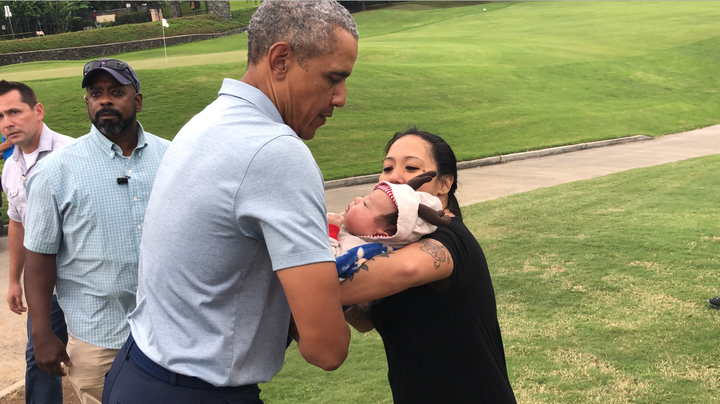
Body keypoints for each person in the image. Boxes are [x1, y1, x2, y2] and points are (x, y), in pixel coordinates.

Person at [102, 2, 358, 403]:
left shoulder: (208, 119)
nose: (340, 98)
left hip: (136, 371)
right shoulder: (276, 150)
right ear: (280, 60)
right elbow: (326, 349)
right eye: (333, 78)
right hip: (196, 391)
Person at [22, 59, 170, 404]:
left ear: (138, 100)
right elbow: (40, 257)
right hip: (98, 336)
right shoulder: (55, 172)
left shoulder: (173, 157)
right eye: (96, 93)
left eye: (117, 92)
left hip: (169, 330)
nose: (105, 100)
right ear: (87, 103)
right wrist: (41, 332)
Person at [340, 127, 518, 404]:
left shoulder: (449, 239)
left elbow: (406, 269)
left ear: (444, 184)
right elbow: (367, 321)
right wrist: (346, 302)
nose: (395, 176)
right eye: (387, 168)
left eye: (411, 167)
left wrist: (303, 283)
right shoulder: (394, 246)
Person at [1, 80, 73, 404]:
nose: (7, 123)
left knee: (105, 360)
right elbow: (17, 224)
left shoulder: (72, 153)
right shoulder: (10, 168)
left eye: (14, 112)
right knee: (40, 360)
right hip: (46, 289)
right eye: (1, 116)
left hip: (89, 284)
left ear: (38, 110)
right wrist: (14, 280)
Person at [328, 172, 450, 258]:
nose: (357, 199)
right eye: (365, 197)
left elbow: (325, 266)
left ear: (380, 234)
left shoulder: (358, 251)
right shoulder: (348, 228)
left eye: (365, 204)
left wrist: (330, 231)